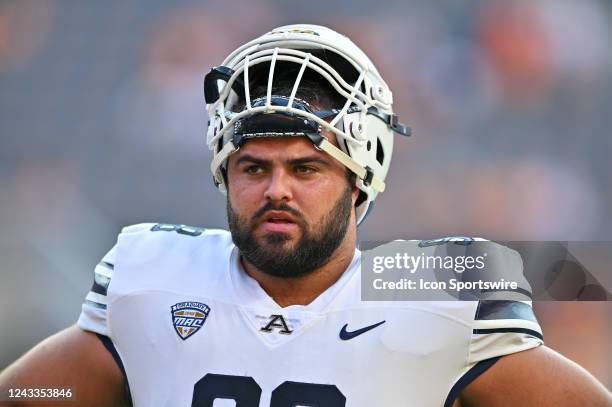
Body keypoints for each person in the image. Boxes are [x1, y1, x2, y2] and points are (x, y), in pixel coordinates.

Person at [1, 24, 611, 407]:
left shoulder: (427, 289)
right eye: (254, 168)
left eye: (306, 168)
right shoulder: (158, 277)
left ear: (359, 182)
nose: (276, 190)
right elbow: (33, 393)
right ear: (223, 174)